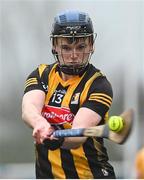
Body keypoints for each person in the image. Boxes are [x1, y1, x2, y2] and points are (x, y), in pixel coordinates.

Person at [22, 9, 116, 178]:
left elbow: (78, 134)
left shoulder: (99, 85)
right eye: (66, 47)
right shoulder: (42, 74)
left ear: (91, 45)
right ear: (54, 46)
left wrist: (57, 137)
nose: (74, 56)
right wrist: (40, 124)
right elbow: (29, 108)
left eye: (81, 47)